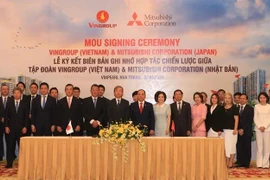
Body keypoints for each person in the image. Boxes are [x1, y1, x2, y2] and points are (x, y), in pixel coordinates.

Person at [4, 88, 29, 168]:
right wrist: (6, 126)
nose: (16, 94)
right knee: (10, 146)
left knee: (22, 147)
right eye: (15, 93)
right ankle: (9, 163)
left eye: (18, 93)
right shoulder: (9, 103)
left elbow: (26, 117)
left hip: (21, 129)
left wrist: (25, 126)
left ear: (21, 94)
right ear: (13, 94)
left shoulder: (25, 104)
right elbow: (6, 116)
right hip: (11, 129)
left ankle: (23, 163)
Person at [236, 94, 254, 168]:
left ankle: (246, 163)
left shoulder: (250, 108)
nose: (242, 100)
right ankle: (240, 162)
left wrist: (243, 129)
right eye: (241, 98)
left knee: (247, 147)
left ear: (246, 100)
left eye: (244, 98)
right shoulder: (236, 108)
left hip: (246, 131)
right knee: (239, 147)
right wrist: (238, 129)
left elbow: (249, 121)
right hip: (238, 131)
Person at [223, 92, 239, 168]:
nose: (227, 99)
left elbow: (236, 119)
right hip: (224, 131)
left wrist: (235, 129)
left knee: (232, 146)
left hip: (232, 130)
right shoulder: (221, 107)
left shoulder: (235, 107)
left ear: (231, 99)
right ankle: (226, 160)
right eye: (226, 98)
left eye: (229, 98)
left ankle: (231, 161)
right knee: (226, 146)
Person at [254, 92, 270, 168]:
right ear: (259, 99)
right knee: (259, 147)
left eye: (264, 98)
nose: (262, 99)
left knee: (267, 147)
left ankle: (265, 164)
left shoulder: (269, 106)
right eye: (261, 98)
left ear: (266, 98)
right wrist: (260, 126)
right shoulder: (256, 106)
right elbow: (255, 118)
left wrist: (265, 126)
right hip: (258, 129)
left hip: (267, 129)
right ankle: (259, 163)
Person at [0, 84, 11, 161]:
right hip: (0, 123)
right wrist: (1, 118)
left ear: (9, 91)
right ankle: (0, 156)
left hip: (10, 124)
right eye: (3, 89)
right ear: (1, 90)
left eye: (6, 89)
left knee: (9, 141)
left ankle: (10, 157)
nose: (5, 90)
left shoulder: (12, 100)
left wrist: (7, 119)